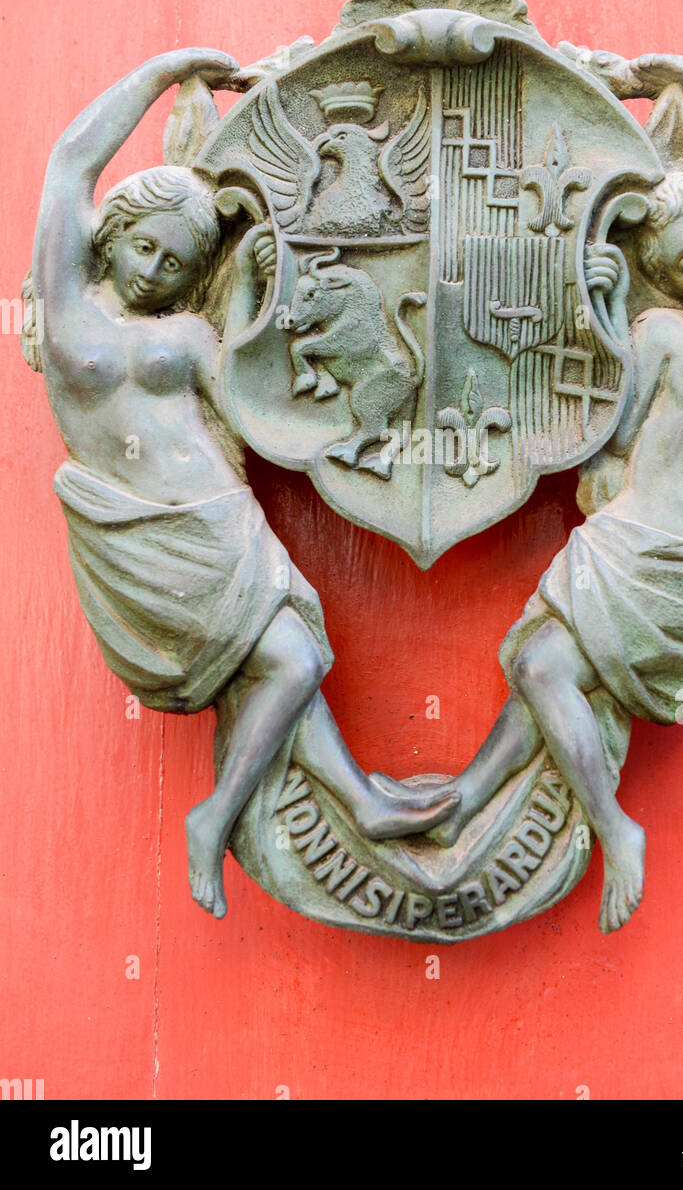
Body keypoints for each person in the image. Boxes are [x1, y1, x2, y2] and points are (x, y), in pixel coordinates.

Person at [32, 48, 458, 919]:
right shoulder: (68, 307)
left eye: (180, 262)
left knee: (293, 657)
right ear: (110, 240)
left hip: (220, 519)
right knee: (287, 659)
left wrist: (260, 278)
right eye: (144, 247)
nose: (156, 269)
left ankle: (348, 803)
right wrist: (157, 74)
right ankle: (230, 814)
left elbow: (257, 394)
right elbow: (70, 164)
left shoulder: (190, 334)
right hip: (135, 531)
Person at [426, 52, 683, 935]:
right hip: (634, 539)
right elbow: (598, 434)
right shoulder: (657, 336)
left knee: (548, 670)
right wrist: (606, 317)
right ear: (668, 275)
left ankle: (499, 808)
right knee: (539, 667)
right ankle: (597, 825)